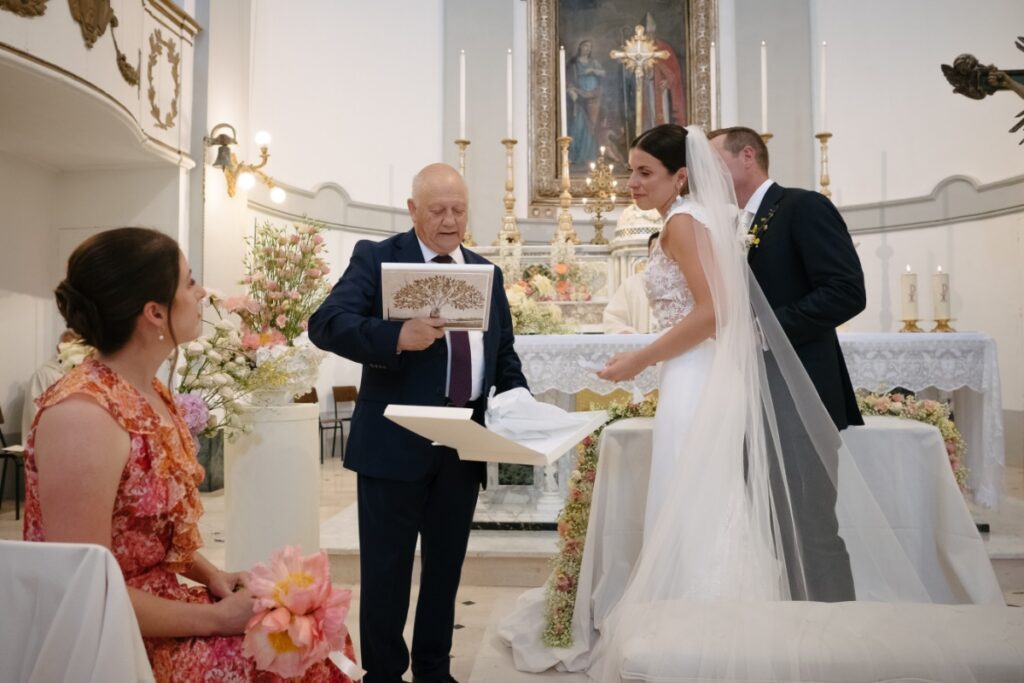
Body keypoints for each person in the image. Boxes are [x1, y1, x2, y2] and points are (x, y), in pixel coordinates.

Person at [23, 227, 353, 682]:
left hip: (153, 605)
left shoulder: (150, 391)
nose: (201, 294)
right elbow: (84, 589)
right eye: (189, 282)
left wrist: (211, 575)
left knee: (313, 628)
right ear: (155, 313)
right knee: (297, 660)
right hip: (109, 637)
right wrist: (219, 620)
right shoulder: (83, 416)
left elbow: (152, 535)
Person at [308, 163, 528, 683]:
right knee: (386, 573)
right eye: (438, 211)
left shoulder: (486, 272)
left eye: (459, 210)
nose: (451, 221)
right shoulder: (379, 259)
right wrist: (395, 337)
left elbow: (503, 353)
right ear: (412, 210)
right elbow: (326, 323)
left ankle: (434, 671)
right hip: (394, 445)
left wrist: (518, 399)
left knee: (445, 571)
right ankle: (384, 675)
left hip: (461, 446)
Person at [710, 125, 864, 601]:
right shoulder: (731, 224)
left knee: (812, 526)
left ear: (748, 156)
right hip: (754, 396)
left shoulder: (801, 207)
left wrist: (765, 331)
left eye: (714, 161)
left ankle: (836, 639)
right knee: (773, 527)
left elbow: (846, 291)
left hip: (801, 396)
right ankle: (796, 626)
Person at [20, 330, 80, 439]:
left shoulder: (81, 375)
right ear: (59, 348)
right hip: (50, 439)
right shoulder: (43, 376)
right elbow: (35, 415)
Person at [601, 231, 659, 334]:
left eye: (662, 248)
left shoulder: (684, 282)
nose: (658, 253)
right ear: (648, 254)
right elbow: (612, 319)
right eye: (654, 248)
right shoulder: (631, 284)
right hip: (640, 346)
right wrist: (630, 335)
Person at [568, 39, 606, 166]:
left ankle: (589, 156)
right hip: (579, 97)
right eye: (585, 46)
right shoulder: (573, 63)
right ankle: (574, 155)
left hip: (593, 97)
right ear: (580, 47)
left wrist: (593, 71)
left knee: (591, 127)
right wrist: (572, 91)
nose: (587, 49)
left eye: (589, 47)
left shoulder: (593, 62)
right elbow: (568, 80)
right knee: (578, 125)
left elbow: (603, 73)